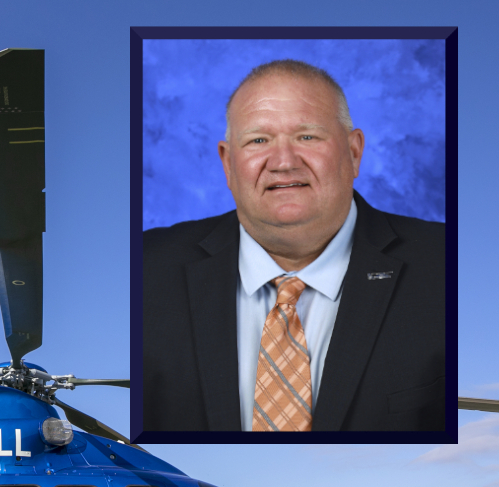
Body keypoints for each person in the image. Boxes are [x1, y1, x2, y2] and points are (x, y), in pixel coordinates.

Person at [142, 60, 444, 433]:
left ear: (353, 152)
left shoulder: (448, 265)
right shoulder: (144, 268)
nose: (283, 163)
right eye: (258, 140)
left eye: (307, 137)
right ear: (228, 163)